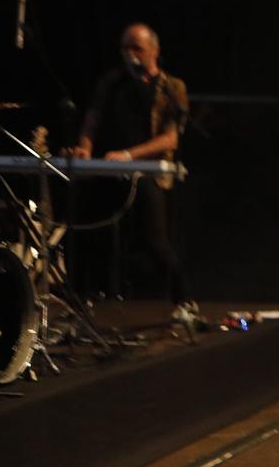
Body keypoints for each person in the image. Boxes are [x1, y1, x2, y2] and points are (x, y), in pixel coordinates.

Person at [68, 23, 194, 323]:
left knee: (155, 242)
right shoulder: (111, 82)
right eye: (125, 47)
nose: (129, 54)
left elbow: (170, 138)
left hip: (146, 172)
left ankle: (185, 299)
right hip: (108, 169)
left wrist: (128, 156)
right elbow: (93, 119)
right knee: (86, 230)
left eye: (136, 47)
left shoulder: (171, 87)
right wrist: (84, 148)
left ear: (154, 50)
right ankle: (80, 302)